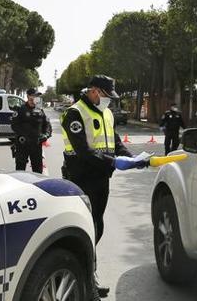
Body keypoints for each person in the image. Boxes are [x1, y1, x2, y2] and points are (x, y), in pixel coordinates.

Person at [61, 75, 147, 298]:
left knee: (96, 226)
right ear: (95, 91)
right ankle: (86, 283)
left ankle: (89, 276)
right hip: (81, 179)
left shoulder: (106, 113)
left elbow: (115, 141)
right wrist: (114, 162)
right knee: (86, 229)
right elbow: (83, 151)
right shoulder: (75, 113)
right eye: (107, 95)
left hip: (101, 178)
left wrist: (132, 158)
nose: (110, 101)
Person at [10, 88, 51, 173]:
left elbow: (46, 124)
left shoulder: (39, 109)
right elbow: (14, 125)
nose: (35, 98)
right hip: (23, 145)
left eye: (37, 96)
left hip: (36, 145)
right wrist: (24, 135)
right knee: (20, 171)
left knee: (38, 171)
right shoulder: (21, 109)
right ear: (28, 96)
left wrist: (46, 135)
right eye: (33, 96)